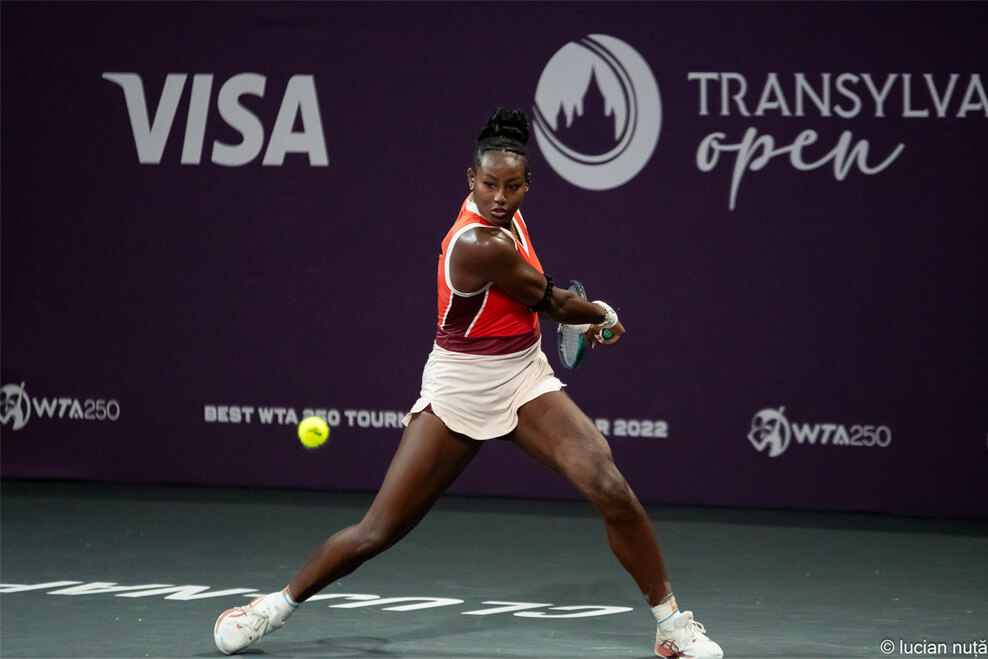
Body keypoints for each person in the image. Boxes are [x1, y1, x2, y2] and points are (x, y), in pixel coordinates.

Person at [213, 108, 723, 659]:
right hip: (460, 385)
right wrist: (601, 315)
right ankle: (272, 607)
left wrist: (584, 316)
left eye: (513, 185)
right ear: (470, 181)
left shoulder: (511, 218)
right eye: (488, 185)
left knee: (607, 484)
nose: (500, 197)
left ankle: (672, 628)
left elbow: (540, 303)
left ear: (528, 183)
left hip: (524, 375)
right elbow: (550, 299)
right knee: (378, 531)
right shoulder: (480, 244)